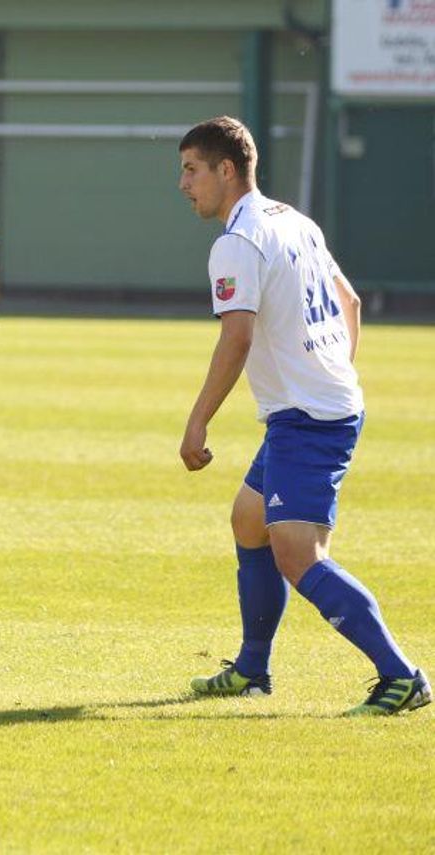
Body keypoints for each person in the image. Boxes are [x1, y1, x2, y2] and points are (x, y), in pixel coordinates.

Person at [177, 116, 429, 716]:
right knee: (249, 521)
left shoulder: (236, 242)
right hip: (318, 406)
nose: (184, 184)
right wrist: (332, 370)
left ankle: (402, 676)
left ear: (226, 169)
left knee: (298, 555)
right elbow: (351, 301)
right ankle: (253, 669)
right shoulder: (293, 220)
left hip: (308, 417)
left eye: (191, 170)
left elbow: (235, 340)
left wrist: (197, 422)